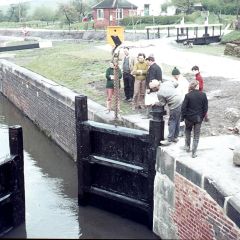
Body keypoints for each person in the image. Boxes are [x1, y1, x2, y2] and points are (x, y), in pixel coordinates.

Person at [149, 79, 182, 145]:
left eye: (152, 89)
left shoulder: (160, 93)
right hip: (180, 100)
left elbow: (162, 103)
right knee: (177, 120)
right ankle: (175, 137)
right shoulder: (167, 83)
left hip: (174, 104)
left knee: (172, 121)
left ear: (156, 87)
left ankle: (169, 140)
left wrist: (155, 103)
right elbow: (176, 84)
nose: (152, 90)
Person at [181, 80, 208, 158]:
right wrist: (202, 116)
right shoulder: (203, 95)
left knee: (187, 131)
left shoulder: (188, 95)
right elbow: (205, 108)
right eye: (198, 84)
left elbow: (183, 108)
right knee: (196, 136)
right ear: (197, 86)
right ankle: (194, 153)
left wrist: (183, 117)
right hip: (198, 118)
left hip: (189, 118)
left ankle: (187, 147)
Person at [171, 67, 189, 136]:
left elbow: (184, 92)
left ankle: (181, 131)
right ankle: (178, 130)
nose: (174, 77)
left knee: (182, 116)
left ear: (177, 75)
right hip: (176, 101)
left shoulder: (183, 81)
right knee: (177, 116)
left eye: (174, 76)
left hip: (183, 100)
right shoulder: (175, 80)